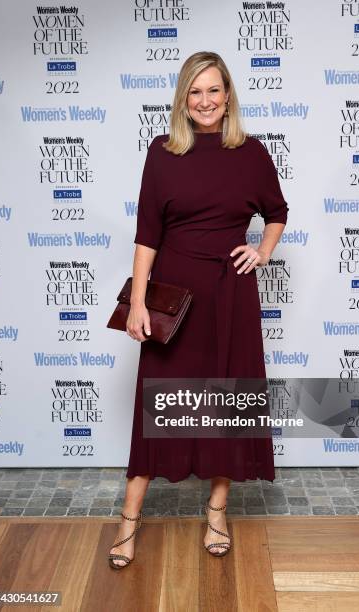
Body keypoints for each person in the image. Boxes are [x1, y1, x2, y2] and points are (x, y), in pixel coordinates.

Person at [108, 51, 288, 569]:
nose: (205, 100)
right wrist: (139, 301)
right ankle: (129, 522)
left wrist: (263, 250)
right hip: (174, 298)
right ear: (183, 101)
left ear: (228, 95)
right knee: (160, 409)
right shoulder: (162, 153)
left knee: (227, 406)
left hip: (230, 296)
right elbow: (147, 233)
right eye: (195, 92)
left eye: (214, 90)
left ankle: (216, 512)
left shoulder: (251, 153)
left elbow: (276, 212)